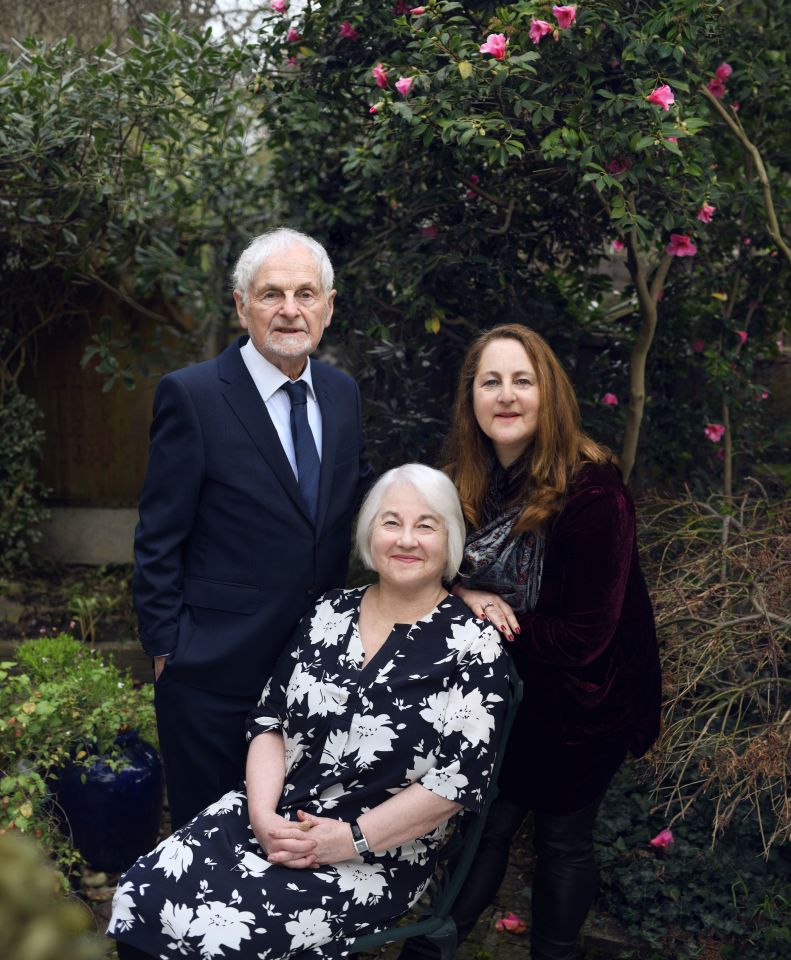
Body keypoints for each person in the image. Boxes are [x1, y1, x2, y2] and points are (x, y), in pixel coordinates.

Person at [108, 464, 511, 960]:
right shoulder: (329, 612)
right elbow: (269, 721)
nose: (407, 539)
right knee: (142, 894)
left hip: (376, 853)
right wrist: (260, 816)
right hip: (273, 816)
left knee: (224, 938)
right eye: (391, 522)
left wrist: (348, 840)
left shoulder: (473, 646)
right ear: (369, 534)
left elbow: (455, 785)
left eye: (426, 525)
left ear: (450, 540)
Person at [401, 324, 662, 960]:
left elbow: (586, 636)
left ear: (549, 394)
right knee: (486, 830)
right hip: (497, 698)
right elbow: (418, 572)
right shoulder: (463, 482)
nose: (507, 395)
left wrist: (482, 624)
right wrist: (461, 597)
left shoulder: (594, 491)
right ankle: (427, 950)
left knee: (564, 838)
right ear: (472, 399)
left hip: (582, 701)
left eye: (523, 380)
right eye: (491, 381)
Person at [133, 227, 374, 830]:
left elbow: (358, 506)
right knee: (207, 848)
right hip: (212, 676)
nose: (290, 310)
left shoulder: (342, 395)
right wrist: (168, 650)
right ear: (241, 306)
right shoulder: (191, 396)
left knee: (292, 850)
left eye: (305, 294)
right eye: (271, 294)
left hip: (315, 676)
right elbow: (158, 537)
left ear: (329, 306)